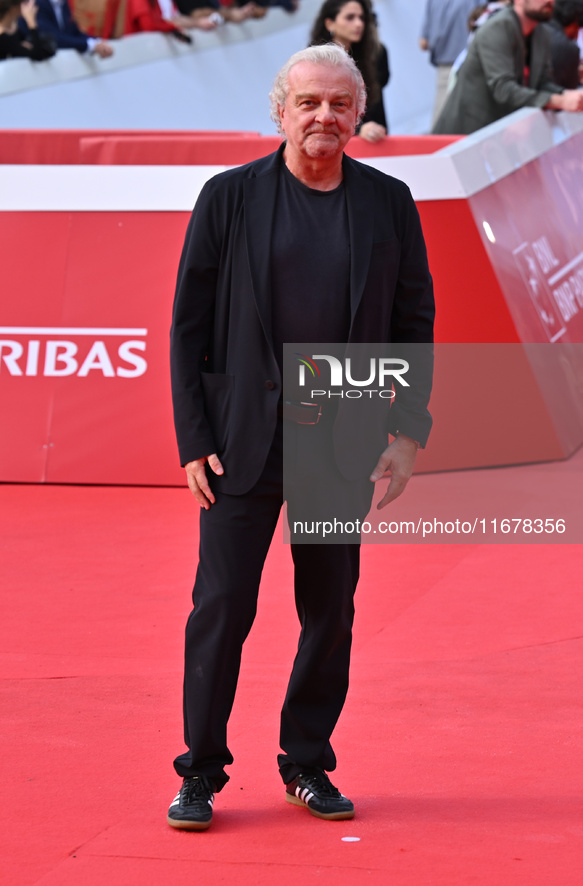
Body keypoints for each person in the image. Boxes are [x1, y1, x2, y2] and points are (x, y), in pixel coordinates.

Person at [167, 43, 434, 830]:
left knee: (329, 609)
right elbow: (186, 329)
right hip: (239, 443)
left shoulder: (387, 202)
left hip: (337, 444)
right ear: (279, 111)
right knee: (221, 606)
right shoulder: (228, 197)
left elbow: (411, 325)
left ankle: (306, 763)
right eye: (309, 102)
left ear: (359, 114)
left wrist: (406, 432)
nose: (324, 117)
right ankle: (200, 773)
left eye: (339, 104)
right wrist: (191, 438)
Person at [433, 0, 583, 134]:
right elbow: (503, 88)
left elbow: (541, 83)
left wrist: (567, 94)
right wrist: (559, 100)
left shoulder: (542, 33)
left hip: (497, 138)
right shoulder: (498, 27)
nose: (550, 1)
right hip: (463, 134)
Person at [310, 0, 390, 142]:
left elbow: (375, 105)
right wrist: (359, 129)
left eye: (362, 18)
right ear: (330, 24)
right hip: (331, 141)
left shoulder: (375, 55)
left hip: (374, 140)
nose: (359, 24)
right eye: (350, 18)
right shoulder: (314, 62)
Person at [419, 0, 478, 125]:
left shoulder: (433, 2)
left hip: (446, 70)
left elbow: (423, 43)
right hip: (474, 66)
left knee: (441, 123)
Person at [33, 0, 113, 56]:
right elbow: (53, 38)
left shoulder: (63, 3)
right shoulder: (37, 4)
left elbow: (74, 32)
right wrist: (91, 45)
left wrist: (97, 42)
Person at [545, 0, 583, 87]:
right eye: (577, 29)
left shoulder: (540, 26)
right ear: (574, 24)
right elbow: (570, 91)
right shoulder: (567, 47)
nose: (576, 36)